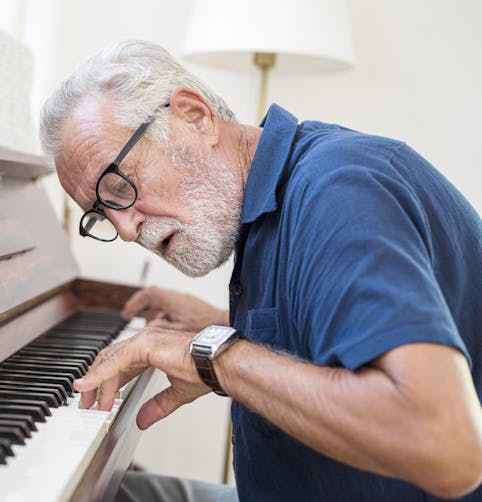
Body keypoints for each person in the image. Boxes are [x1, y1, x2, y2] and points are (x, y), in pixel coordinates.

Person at [39, 39, 482, 501]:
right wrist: (222, 327)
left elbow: (447, 447)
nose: (126, 230)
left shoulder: (339, 191)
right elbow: (333, 344)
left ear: (195, 116)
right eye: (101, 215)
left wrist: (214, 358)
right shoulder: (278, 202)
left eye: (119, 187)